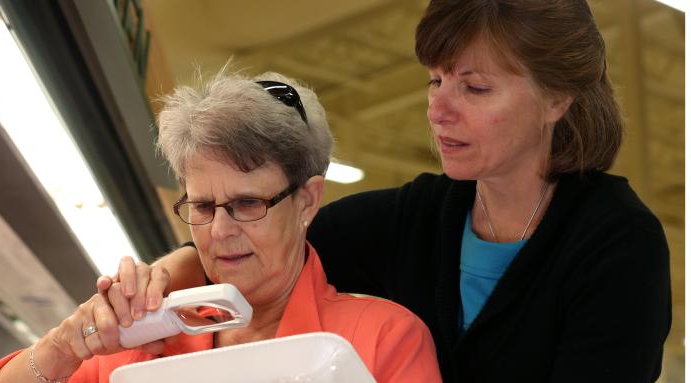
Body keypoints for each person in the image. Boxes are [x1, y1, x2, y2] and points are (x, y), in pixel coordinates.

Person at [102, 1, 672, 382]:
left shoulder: (618, 246)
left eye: (474, 87)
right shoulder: (412, 218)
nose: (439, 109)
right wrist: (163, 276)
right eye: (435, 80)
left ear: (557, 99)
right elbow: (254, 241)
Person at [0, 70, 442, 383]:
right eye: (202, 206)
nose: (219, 231)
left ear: (307, 201)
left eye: (246, 204)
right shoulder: (140, 342)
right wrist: (65, 344)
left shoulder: (383, 340)